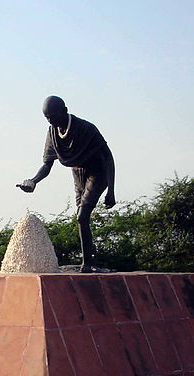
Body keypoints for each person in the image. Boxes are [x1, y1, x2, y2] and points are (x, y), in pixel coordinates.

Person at [18, 96, 115, 273]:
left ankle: (87, 264)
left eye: (53, 115)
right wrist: (33, 181)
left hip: (97, 171)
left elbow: (108, 157)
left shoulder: (86, 128)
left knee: (82, 216)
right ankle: (89, 261)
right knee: (81, 218)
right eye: (47, 117)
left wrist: (111, 190)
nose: (50, 120)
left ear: (64, 110)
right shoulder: (53, 133)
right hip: (77, 173)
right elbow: (47, 165)